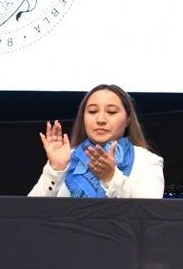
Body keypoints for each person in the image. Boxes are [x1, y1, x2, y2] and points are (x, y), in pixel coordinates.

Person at [28, 84, 165, 198]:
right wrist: (56, 169)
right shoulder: (67, 158)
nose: (100, 120)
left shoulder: (147, 161)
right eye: (92, 111)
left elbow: (151, 213)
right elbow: (28, 212)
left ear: (128, 119)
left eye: (111, 112)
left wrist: (111, 177)